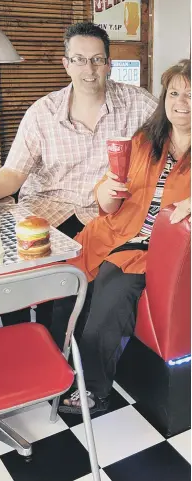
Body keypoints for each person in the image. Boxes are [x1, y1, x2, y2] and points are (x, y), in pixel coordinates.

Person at [0, 21, 158, 327]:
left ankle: (61, 352)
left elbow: (176, 133)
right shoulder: (42, 112)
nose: (89, 69)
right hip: (47, 209)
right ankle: (22, 340)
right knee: (11, 273)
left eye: (97, 59)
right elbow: (14, 172)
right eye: (79, 59)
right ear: (66, 64)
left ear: (109, 64)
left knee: (67, 287)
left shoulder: (138, 103)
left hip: (103, 213)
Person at [51, 59, 191, 415]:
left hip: (152, 251)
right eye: (174, 93)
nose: (181, 102)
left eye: (190, 95)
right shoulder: (145, 140)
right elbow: (108, 195)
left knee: (111, 294)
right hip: (110, 233)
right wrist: (109, 192)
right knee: (64, 282)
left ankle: (93, 389)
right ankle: (55, 369)